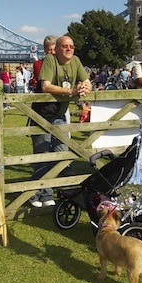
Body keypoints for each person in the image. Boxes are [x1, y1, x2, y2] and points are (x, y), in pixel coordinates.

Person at [29, 35, 92, 207]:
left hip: (59, 114)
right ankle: (37, 193)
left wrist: (86, 86)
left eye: (72, 46)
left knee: (62, 153)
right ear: (56, 49)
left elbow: (87, 80)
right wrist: (71, 91)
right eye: (65, 46)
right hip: (41, 114)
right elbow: (46, 86)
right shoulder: (50, 60)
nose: (69, 49)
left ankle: (51, 190)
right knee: (42, 154)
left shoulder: (76, 61)